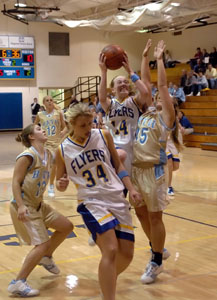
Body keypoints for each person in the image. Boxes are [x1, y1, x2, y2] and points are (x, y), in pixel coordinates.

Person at [55, 102, 142, 300]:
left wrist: (132, 188)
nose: (88, 128)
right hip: (91, 201)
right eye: (83, 125)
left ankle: (106, 282)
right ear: (71, 125)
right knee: (110, 249)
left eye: (90, 123)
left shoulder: (103, 135)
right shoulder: (63, 150)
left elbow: (118, 164)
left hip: (116, 196)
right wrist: (61, 183)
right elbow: (59, 183)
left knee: (126, 254)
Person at [8, 124, 73, 297]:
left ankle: (46, 256)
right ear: (31, 136)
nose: (43, 130)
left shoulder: (49, 154)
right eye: (38, 129)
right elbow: (15, 182)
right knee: (42, 244)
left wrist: (60, 184)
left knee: (66, 226)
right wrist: (21, 205)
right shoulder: (27, 155)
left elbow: (56, 181)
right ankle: (18, 282)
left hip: (39, 203)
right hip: (24, 205)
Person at [131, 40, 176, 284]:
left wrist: (159, 59)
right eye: (156, 97)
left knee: (155, 217)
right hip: (136, 170)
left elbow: (160, 85)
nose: (157, 96)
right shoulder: (146, 112)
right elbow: (147, 85)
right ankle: (156, 246)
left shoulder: (166, 117)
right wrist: (144, 55)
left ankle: (156, 260)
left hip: (154, 171)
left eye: (163, 97)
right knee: (140, 214)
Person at [98, 42, 150, 176]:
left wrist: (130, 72)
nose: (123, 84)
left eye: (126, 82)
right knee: (118, 188)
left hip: (133, 149)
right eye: (119, 82)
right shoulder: (110, 104)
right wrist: (103, 72)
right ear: (113, 88)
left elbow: (145, 92)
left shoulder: (134, 101)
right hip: (114, 148)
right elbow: (102, 98)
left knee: (133, 188)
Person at [34, 96, 67, 197]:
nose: (49, 102)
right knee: (44, 165)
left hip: (57, 142)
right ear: (43, 103)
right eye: (47, 101)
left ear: (53, 102)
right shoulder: (40, 114)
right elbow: (34, 126)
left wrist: (63, 132)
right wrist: (38, 133)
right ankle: (39, 185)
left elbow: (65, 126)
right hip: (45, 143)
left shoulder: (58, 113)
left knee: (54, 163)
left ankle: (51, 185)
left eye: (51, 100)